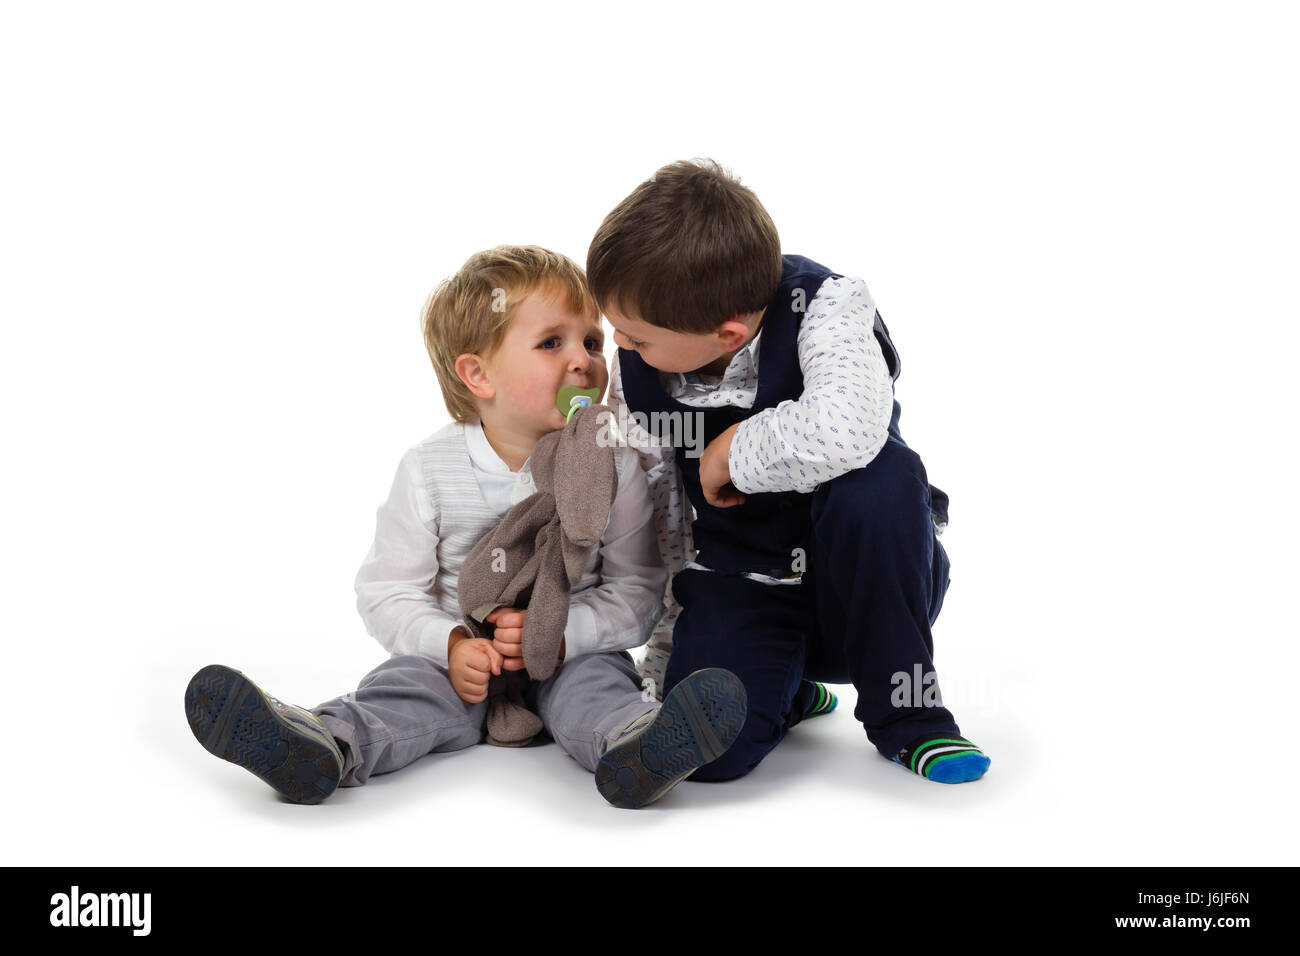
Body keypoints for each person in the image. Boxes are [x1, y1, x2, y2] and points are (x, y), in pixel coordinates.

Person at [184, 245, 746, 809]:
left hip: (572, 655)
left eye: (592, 342)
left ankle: (639, 745)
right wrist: (449, 643)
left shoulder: (613, 464)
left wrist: (561, 634)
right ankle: (322, 743)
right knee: (402, 690)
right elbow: (387, 591)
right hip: (458, 666)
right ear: (479, 374)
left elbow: (637, 592)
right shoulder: (430, 468)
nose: (585, 360)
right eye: (552, 342)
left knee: (599, 691)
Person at [587, 160, 991, 784]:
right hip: (745, 579)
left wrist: (731, 452)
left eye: (637, 336)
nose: (619, 342)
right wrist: (666, 658)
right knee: (710, 751)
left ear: (726, 333)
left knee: (881, 478)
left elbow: (848, 424)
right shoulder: (640, 372)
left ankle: (910, 719)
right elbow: (660, 514)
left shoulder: (826, 305)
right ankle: (780, 694)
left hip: (866, 587)